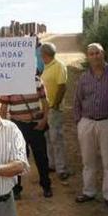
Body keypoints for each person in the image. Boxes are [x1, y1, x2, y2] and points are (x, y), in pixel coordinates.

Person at [73, 42, 108, 209]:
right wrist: (79, 122)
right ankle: (89, 191)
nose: (95, 56)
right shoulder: (84, 77)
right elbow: (77, 100)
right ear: (88, 57)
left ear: (104, 54)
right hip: (87, 122)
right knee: (88, 160)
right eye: (91, 54)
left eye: (98, 53)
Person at [0, 75, 52, 199]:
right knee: (16, 158)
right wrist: (5, 127)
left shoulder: (36, 80)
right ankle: (16, 189)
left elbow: (45, 102)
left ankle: (46, 186)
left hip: (36, 125)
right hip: (17, 127)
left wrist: (44, 120)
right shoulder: (8, 81)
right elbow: (3, 108)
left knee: (42, 157)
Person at [39, 42, 70, 179]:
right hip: (46, 109)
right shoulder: (47, 67)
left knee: (56, 138)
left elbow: (62, 86)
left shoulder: (59, 66)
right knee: (47, 138)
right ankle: (52, 164)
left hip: (54, 108)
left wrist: (56, 104)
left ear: (45, 54)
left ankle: (61, 168)